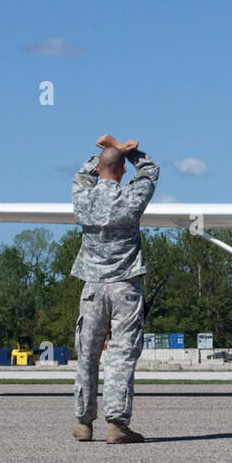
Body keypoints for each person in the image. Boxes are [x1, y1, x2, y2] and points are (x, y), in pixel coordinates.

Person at [70, 134, 159, 442]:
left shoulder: (83, 198)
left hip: (93, 286)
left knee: (87, 353)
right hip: (125, 284)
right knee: (120, 354)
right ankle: (116, 425)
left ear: (99, 168)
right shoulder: (130, 199)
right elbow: (150, 171)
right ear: (122, 171)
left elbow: (83, 175)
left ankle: (84, 422)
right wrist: (129, 151)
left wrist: (113, 151)